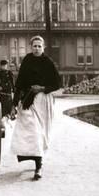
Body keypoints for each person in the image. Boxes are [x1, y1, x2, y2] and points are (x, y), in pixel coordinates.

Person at [10, 36, 61, 180]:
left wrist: (42, 88)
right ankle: (36, 161)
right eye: (34, 46)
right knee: (30, 131)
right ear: (30, 47)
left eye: (39, 46)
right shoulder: (26, 60)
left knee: (39, 132)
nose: (37, 48)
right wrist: (14, 104)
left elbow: (57, 84)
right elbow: (19, 84)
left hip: (43, 101)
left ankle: (39, 165)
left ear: (43, 47)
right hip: (28, 100)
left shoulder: (48, 62)